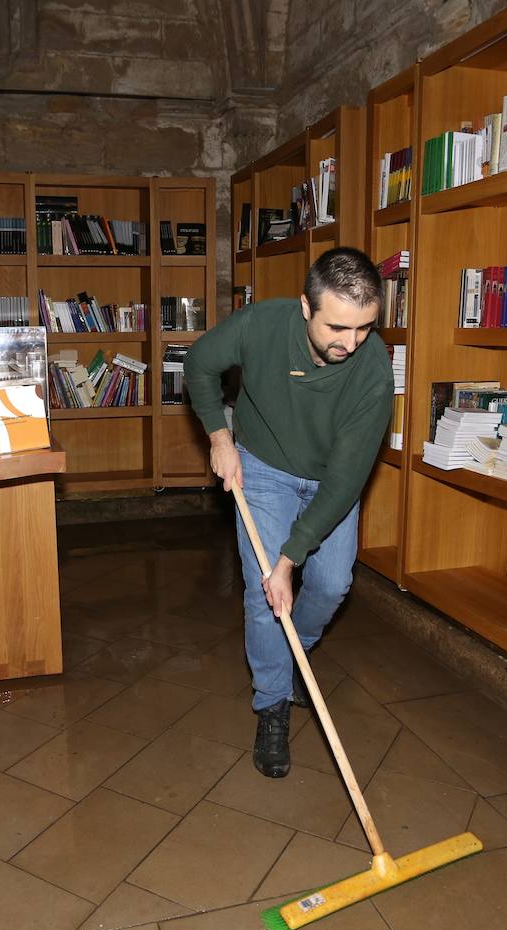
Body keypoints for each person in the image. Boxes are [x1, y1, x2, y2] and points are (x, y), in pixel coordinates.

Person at [185, 247, 393, 778]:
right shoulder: (262, 324)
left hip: (330, 483)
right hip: (264, 468)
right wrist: (219, 436)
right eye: (338, 327)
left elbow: (346, 480)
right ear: (306, 307)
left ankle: (291, 651)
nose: (350, 343)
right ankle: (272, 703)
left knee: (330, 585)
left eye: (364, 328)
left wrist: (291, 559)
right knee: (264, 593)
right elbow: (200, 365)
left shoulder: (372, 370)